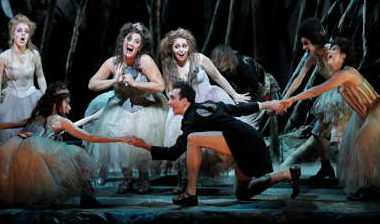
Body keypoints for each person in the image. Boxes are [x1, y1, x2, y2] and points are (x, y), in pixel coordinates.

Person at [278, 37, 380, 200]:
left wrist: (290, 100)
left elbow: (316, 90)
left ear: (344, 55)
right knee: (356, 148)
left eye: (335, 49)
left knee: (362, 143)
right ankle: (366, 184)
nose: (330, 51)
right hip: (363, 115)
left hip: (378, 111)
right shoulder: (338, 74)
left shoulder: (347, 72)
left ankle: (366, 187)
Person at [128, 81, 300, 206]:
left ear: (184, 101)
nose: (169, 102)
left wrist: (145, 146)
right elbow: (238, 109)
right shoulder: (210, 105)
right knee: (243, 193)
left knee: (192, 139)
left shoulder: (190, 120)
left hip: (242, 139)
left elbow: (174, 152)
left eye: (172, 98)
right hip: (252, 140)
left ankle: (190, 193)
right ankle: (286, 175)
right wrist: (268, 104)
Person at [0, 81, 131, 207]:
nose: (69, 107)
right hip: (38, 157)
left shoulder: (36, 117)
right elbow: (91, 137)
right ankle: (88, 197)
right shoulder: (58, 121)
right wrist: (119, 139)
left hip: (18, 152)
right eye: (67, 103)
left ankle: (81, 197)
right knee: (78, 156)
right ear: (57, 103)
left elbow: (5, 125)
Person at [158, 28, 251, 192]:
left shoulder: (199, 59)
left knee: (218, 140)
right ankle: (182, 181)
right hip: (185, 106)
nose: (181, 50)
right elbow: (168, 88)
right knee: (180, 141)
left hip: (207, 103)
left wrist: (234, 94)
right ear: (171, 48)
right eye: (177, 46)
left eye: (184, 46)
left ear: (189, 47)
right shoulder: (168, 65)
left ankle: (243, 178)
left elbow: (217, 77)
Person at [83, 22, 167, 194]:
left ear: (140, 47)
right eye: (129, 39)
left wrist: (135, 82)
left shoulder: (144, 61)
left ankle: (144, 178)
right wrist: (114, 81)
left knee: (142, 144)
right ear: (123, 41)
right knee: (120, 144)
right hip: (121, 109)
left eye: (137, 41)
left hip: (144, 108)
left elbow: (160, 86)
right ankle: (127, 178)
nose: (132, 43)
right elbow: (92, 84)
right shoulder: (113, 62)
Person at [282, 18, 351, 180]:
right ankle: (326, 167)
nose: (304, 48)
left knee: (339, 137)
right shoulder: (313, 57)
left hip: (344, 96)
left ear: (314, 40)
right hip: (330, 96)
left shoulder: (331, 51)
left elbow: (347, 70)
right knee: (318, 133)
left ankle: (352, 174)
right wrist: (285, 98)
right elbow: (300, 77)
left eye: (306, 43)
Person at [0, 14, 47, 151]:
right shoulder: (4, 57)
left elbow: (40, 77)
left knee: (33, 140)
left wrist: (46, 98)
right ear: (12, 34)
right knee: (11, 140)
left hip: (32, 98)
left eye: (26, 32)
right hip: (12, 100)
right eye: (19, 30)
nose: (23, 34)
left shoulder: (34, 54)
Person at [210, 43, 282, 126]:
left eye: (221, 60)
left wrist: (267, 101)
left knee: (273, 113)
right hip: (246, 93)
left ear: (227, 58)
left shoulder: (244, 65)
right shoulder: (226, 69)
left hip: (263, 87)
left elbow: (259, 86)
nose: (219, 64)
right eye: (217, 61)